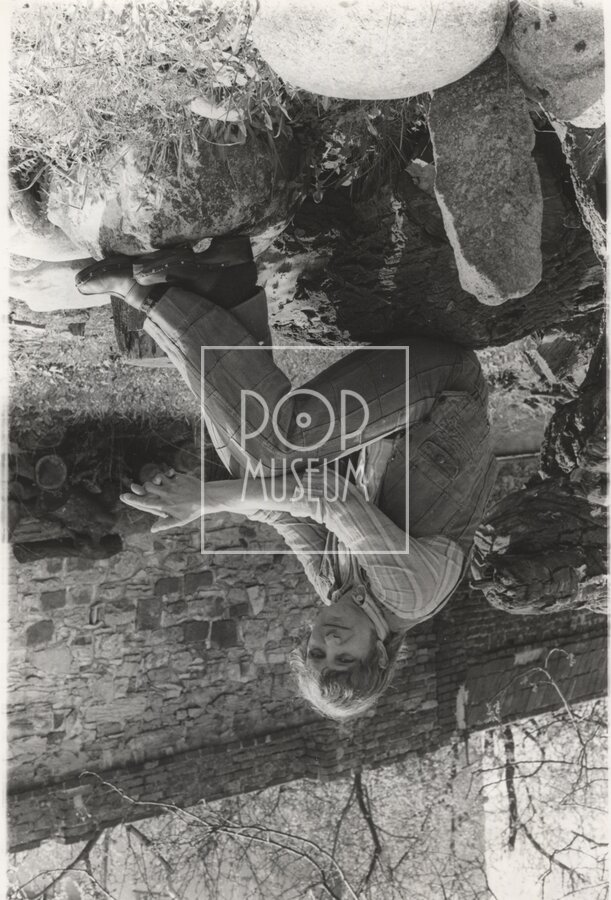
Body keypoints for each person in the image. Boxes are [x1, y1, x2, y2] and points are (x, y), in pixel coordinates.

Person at [76, 237, 497, 720]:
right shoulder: (410, 596)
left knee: (252, 470)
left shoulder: (333, 587)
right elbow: (329, 498)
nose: (330, 640)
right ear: (379, 656)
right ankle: (145, 295)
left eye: (317, 652)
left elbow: (280, 512)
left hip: (390, 416)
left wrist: (208, 501)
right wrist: (207, 500)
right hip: (442, 391)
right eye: (344, 657)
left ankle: (225, 283)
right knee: (277, 445)